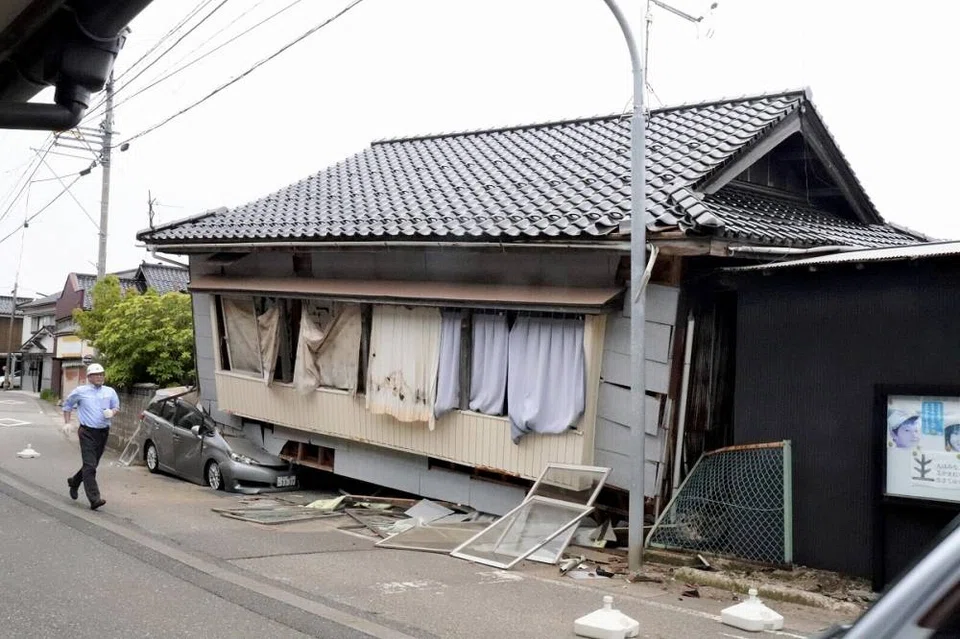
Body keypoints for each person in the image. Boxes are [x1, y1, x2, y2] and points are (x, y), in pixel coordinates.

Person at [63, 363, 119, 510]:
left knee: (92, 464)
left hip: (103, 432)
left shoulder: (109, 391)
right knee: (90, 465)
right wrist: (67, 423)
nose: (100, 377)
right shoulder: (80, 391)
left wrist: (112, 412)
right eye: (96, 375)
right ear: (89, 377)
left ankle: (74, 482)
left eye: (102, 374)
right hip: (87, 432)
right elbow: (67, 405)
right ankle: (94, 498)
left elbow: (115, 407)